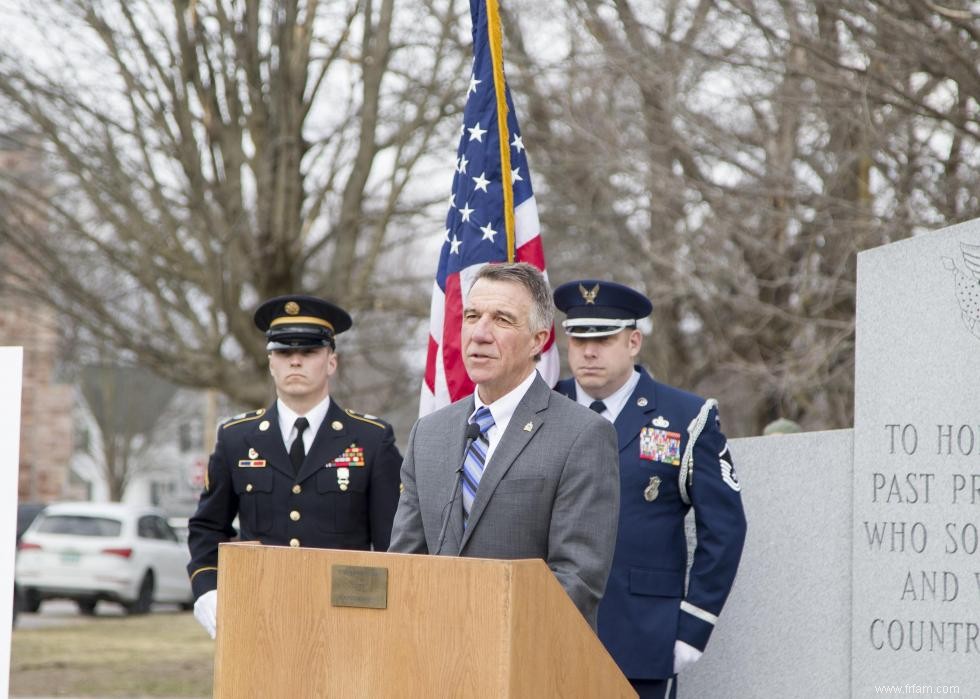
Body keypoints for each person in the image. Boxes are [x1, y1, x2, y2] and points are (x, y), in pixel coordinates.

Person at [388, 263, 619, 628]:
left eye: (502, 320)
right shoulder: (429, 434)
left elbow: (577, 580)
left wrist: (480, 630)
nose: (479, 333)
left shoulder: (582, 435)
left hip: (523, 658)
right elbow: (404, 564)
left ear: (538, 340)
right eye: (472, 315)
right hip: (429, 660)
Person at [553, 279, 747, 699]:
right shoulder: (543, 410)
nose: (589, 351)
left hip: (643, 633)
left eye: (604, 338)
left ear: (634, 341)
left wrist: (694, 627)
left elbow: (725, 528)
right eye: (578, 338)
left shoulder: (686, 417)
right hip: (547, 630)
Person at [186, 295, 402, 638]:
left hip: (344, 623)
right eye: (284, 353)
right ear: (271, 362)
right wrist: (209, 591)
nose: (296, 362)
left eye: (309, 352)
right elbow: (207, 528)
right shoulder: (236, 438)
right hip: (257, 618)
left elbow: (394, 544)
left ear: (331, 362)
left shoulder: (371, 440)